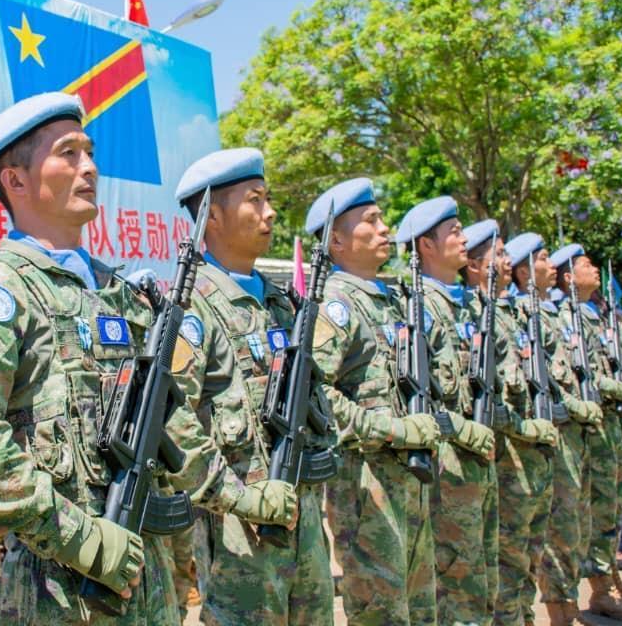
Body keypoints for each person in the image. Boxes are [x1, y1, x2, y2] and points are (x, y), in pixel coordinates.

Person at [0, 92, 193, 624]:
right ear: (15, 180)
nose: (88, 166)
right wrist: (76, 535)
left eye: (90, 152)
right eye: (68, 153)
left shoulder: (119, 290)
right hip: (59, 589)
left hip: (147, 569)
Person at [165, 148, 336, 625]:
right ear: (213, 216)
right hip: (238, 535)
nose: (270, 212)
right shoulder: (193, 308)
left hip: (303, 520)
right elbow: (171, 420)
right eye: (255, 199)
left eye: (268, 198)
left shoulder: (283, 304)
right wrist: (238, 496)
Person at [305, 178, 439, 625]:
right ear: (337, 241)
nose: (385, 228)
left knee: (421, 608)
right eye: (370, 221)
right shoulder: (335, 306)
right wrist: (392, 429)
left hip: (410, 478)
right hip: (367, 485)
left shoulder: (389, 301)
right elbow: (315, 394)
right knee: (382, 612)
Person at [395, 197, 497, 626]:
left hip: (479, 463)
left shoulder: (472, 305)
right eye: (453, 231)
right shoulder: (417, 308)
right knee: (454, 579)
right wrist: (457, 428)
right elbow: (413, 392)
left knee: (483, 571)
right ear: (426, 245)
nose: (464, 238)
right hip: (445, 466)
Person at [462, 221, 557, 626]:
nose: (507, 260)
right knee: (507, 559)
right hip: (505, 459)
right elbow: (480, 398)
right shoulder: (474, 315)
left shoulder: (512, 313)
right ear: (474, 266)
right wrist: (524, 428)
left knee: (528, 555)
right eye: (499, 254)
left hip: (529, 458)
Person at [506, 234, 600, 626]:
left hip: (565, 433)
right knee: (549, 531)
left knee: (572, 521)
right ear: (524, 271)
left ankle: (570, 603)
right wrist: (575, 406)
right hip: (542, 436)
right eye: (545, 259)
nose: (553, 267)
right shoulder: (521, 314)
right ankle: (559, 610)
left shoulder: (549, 312)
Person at [551, 245, 622, 620]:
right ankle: (597, 590)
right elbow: (580, 375)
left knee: (610, 506)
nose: (594, 270)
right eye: (586, 265)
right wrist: (618, 389)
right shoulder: (566, 318)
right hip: (586, 425)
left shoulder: (596, 312)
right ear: (568, 277)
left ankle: (609, 581)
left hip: (606, 423)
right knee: (589, 510)